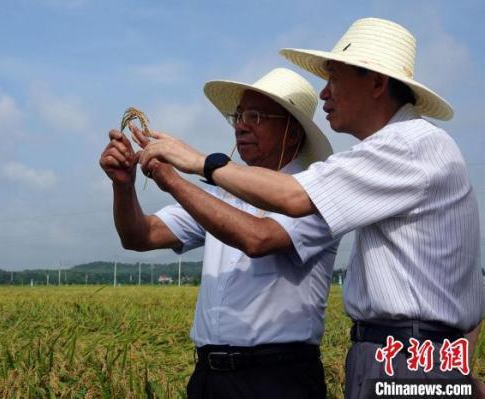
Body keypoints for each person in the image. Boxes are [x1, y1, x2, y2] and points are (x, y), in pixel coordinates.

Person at [140, 18, 484, 398]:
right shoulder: (397, 154)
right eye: (239, 117)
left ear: (376, 82)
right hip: (405, 353)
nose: (324, 94)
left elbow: (286, 204)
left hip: (395, 354)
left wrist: (197, 163)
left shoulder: (407, 144)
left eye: (333, 78)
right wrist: (449, 365)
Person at [100, 68, 340, 398]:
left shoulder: (315, 193)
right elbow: (141, 236)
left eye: (256, 116)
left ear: (293, 132)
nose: (241, 125)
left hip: (276, 378)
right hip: (210, 377)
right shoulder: (221, 195)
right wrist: (123, 186)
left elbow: (259, 238)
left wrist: (172, 180)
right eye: (238, 115)